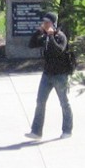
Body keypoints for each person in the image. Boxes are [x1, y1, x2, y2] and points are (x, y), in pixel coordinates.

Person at [26, 11, 74, 139]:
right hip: (47, 75)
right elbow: (31, 44)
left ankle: (67, 130)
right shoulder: (45, 36)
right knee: (40, 102)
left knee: (64, 103)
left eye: (47, 22)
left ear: (53, 24)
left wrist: (52, 36)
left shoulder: (61, 37)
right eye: (44, 22)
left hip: (60, 75)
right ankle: (36, 131)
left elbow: (58, 50)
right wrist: (39, 32)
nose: (45, 24)